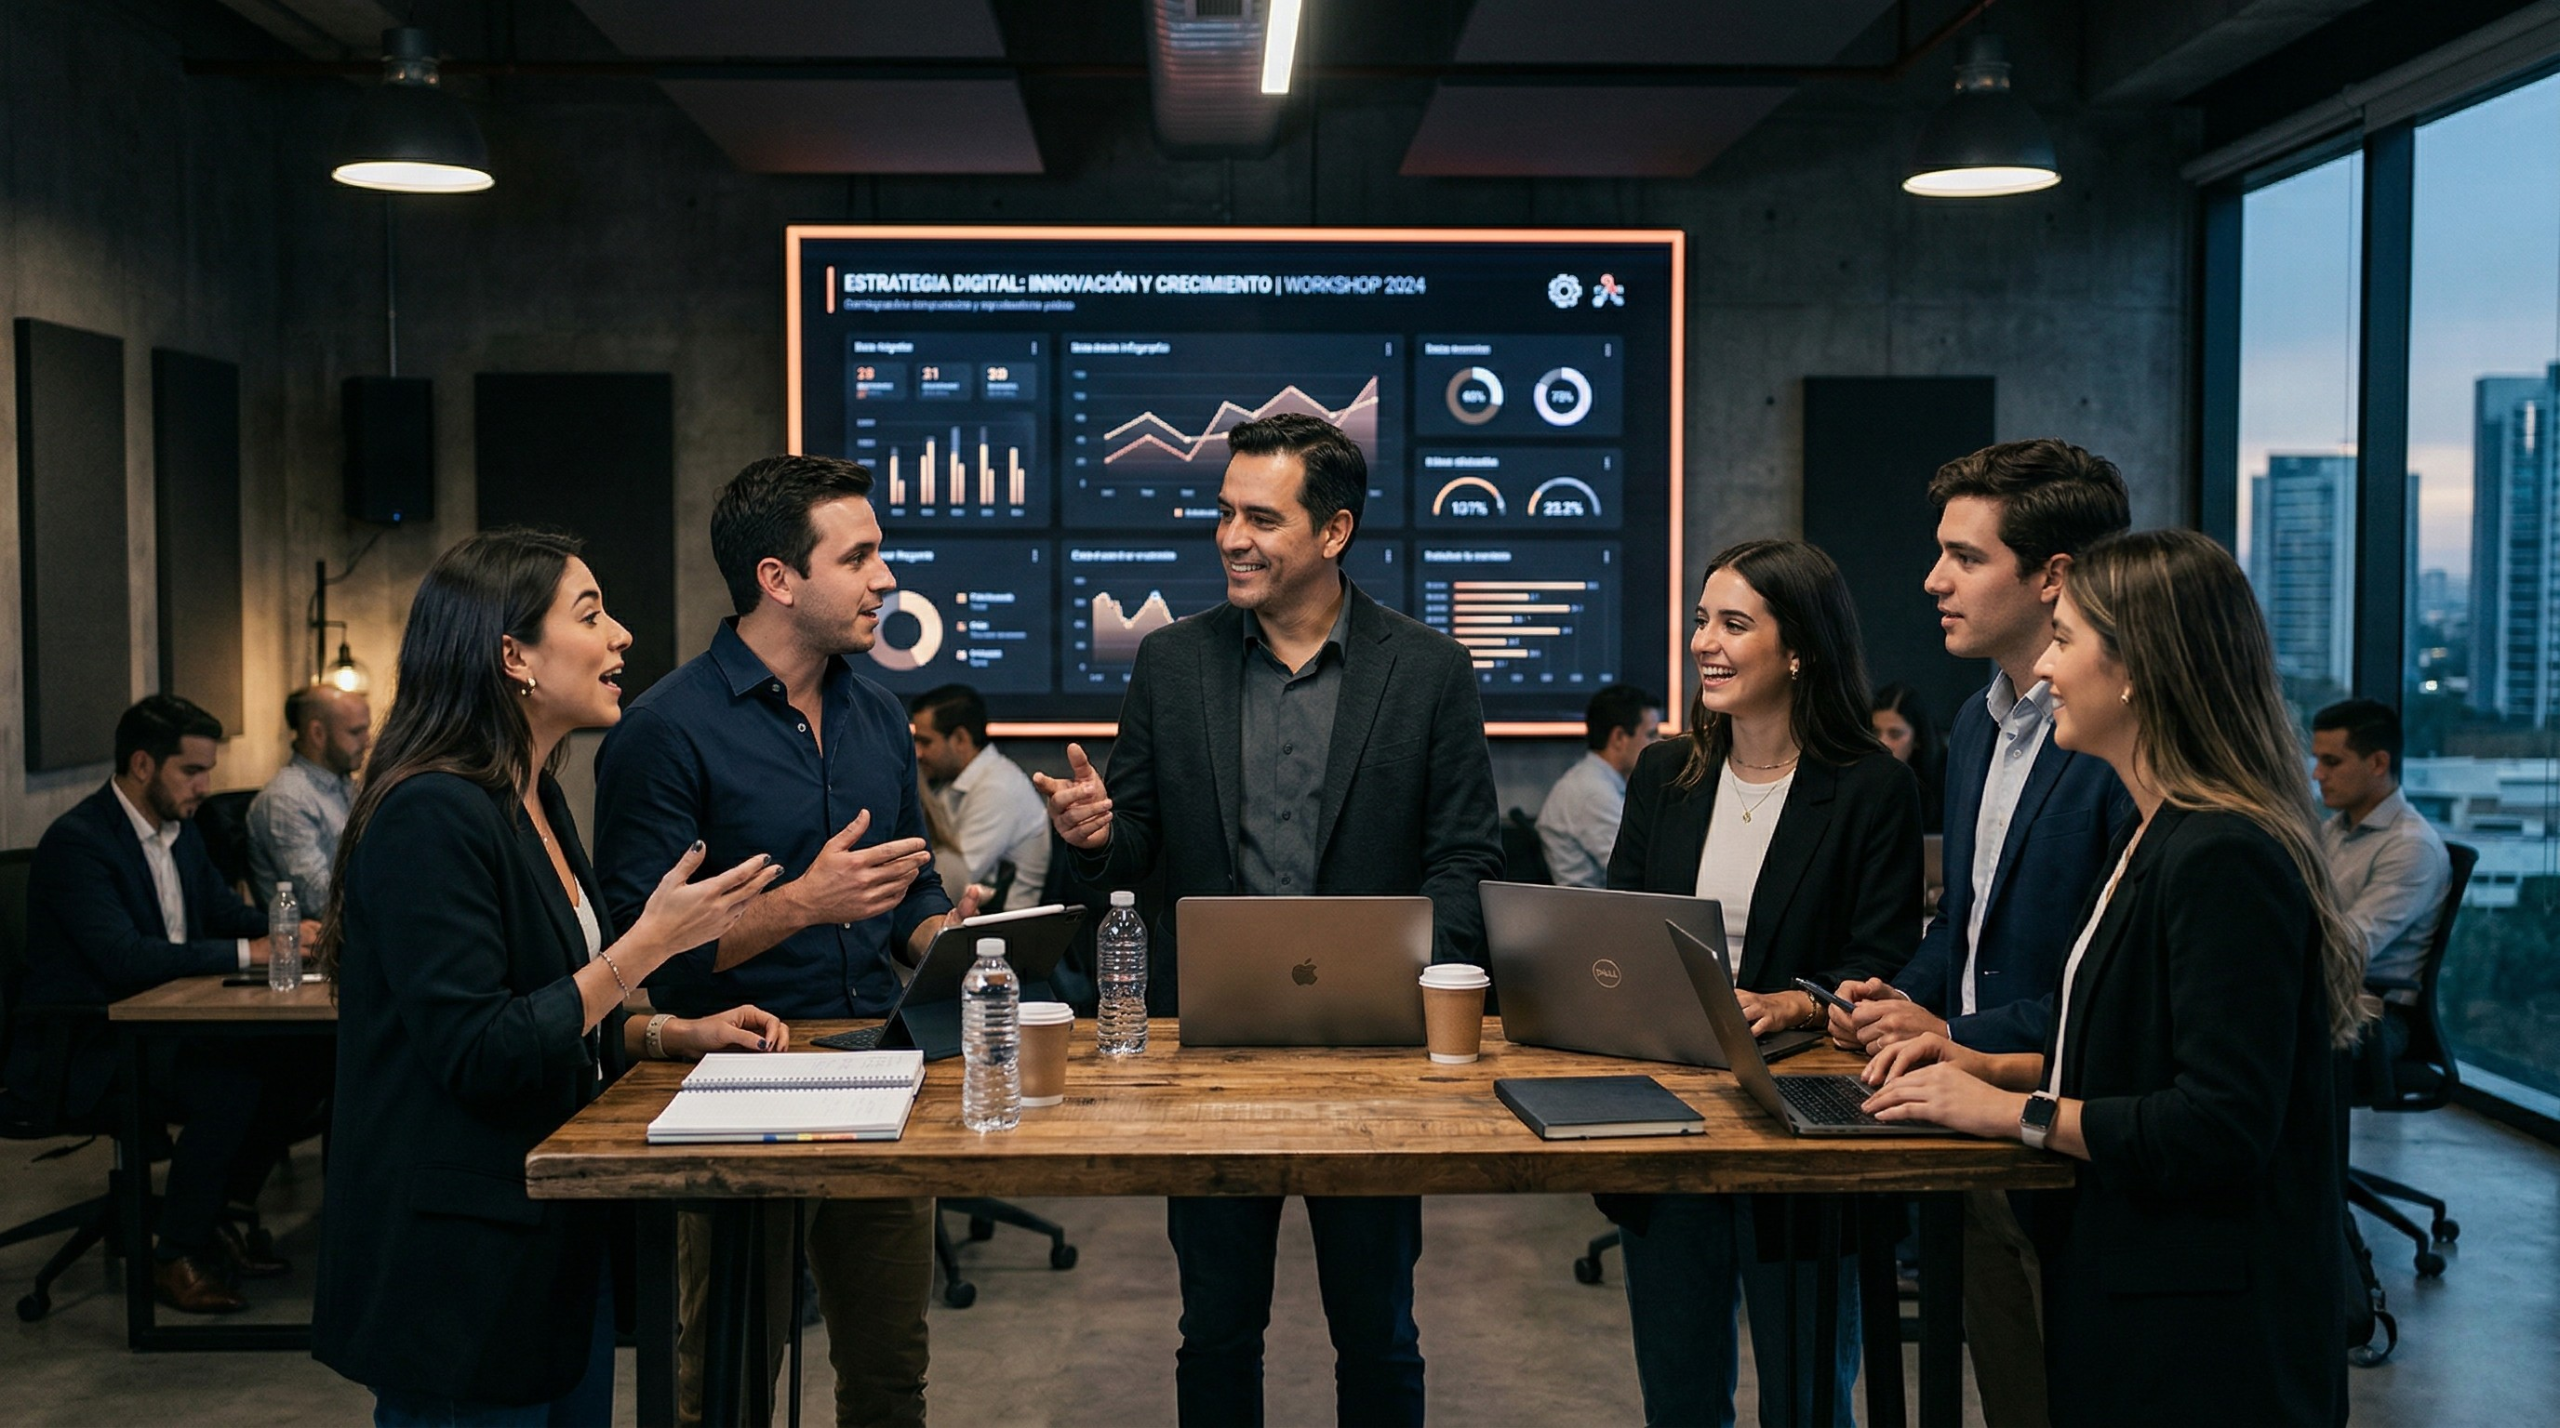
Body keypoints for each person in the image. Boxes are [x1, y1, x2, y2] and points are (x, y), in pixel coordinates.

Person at [1035, 411, 1502, 1427]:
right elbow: (1139, 843)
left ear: (1332, 533)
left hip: (1373, 1056)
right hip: (1209, 1050)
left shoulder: (1426, 671)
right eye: (1222, 512)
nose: (1229, 537)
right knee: (1214, 1330)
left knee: (1379, 1332)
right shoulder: (1172, 662)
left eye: (1260, 517)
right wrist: (1091, 836)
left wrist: (1430, 994)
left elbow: (1464, 857)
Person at [1859, 528, 2361, 1427]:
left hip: (2209, 1334)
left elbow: (2218, 1125)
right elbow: (2124, 1053)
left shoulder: (2222, 855)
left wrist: (2014, 1112)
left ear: (2138, 668)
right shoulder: (2153, 831)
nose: (2045, 670)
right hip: (2144, 1290)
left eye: (2066, 641)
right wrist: (1974, 1065)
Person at [594, 456, 983, 1428]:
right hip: (733, 1072)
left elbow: (909, 892)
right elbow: (635, 958)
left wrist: (949, 934)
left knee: (891, 1375)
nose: (885, 580)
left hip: (876, 1062)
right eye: (858, 558)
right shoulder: (664, 731)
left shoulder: (880, 716)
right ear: (778, 578)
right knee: (726, 1379)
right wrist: (797, 905)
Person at [1833, 437, 2135, 1426]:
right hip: (1963, 1117)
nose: (1933, 579)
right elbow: (1961, 934)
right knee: (2012, 1390)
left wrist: (1955, 1038)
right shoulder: (1975, 722)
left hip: (2073, 1140)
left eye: (1965, 557)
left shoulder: (2119, 741)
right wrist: (1897, 1001)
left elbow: (2115, 991)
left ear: (2054, 577)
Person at [1598, 539, 1923, 1427]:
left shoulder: (1870, 790)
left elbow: (1888, 959)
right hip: (1667, 1112)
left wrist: (1801, 1000)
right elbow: (1620, 926)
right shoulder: (1667, 773)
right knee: (1680, 1396)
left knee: (1809, 1399)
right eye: (1702, 620)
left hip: (1803, 1125)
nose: (1705, 641)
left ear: (1799, 648)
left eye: (1734, 623)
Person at [2, 694, 323, 1313]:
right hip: (88, 1045)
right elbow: (127, 959)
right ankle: (174, 1255)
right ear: (143, 765)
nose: (206, 786)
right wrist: (248, 953)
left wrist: (290, 931)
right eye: (192, 771)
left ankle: (218, 1220)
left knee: (301, 1060)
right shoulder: (80, 843)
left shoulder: (179, 830)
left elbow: (220, 911)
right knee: (230, 1083)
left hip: (162, 1024)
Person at [2312, 697, 2451, 1063]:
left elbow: (2348, 949)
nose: (2317, 774)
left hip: (2377, 1019)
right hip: (2327, 999)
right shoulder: (2335, 831)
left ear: (2377, 763)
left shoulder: (2411, 847)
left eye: (2332, 762)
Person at [911, 682, 1050, 908]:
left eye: (926, 741)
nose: (918, 752)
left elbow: (949, 882)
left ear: (960, 739)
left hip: (1007, 932)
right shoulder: (954, 783)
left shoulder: (998, 788)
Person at [245, 683, 371, 905]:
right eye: (355, 732)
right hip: (320, 935)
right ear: (317, 734)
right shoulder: (286, 799)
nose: (368, 741)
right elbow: (317, 900)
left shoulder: (348, 785)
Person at [1535, 682, 1661, 888]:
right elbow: (1635, 871)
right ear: (1619, 737)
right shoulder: (1592, 794)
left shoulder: (1596, 782)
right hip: (1590, 916)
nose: (1659, 742)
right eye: (1651, 734)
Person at [1868, 682, 1944, 830]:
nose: (1882, 743)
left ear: (1917, 739)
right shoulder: (1857, 781)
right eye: (1875, 732)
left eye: (1895, 734)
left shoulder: (1945, 782)